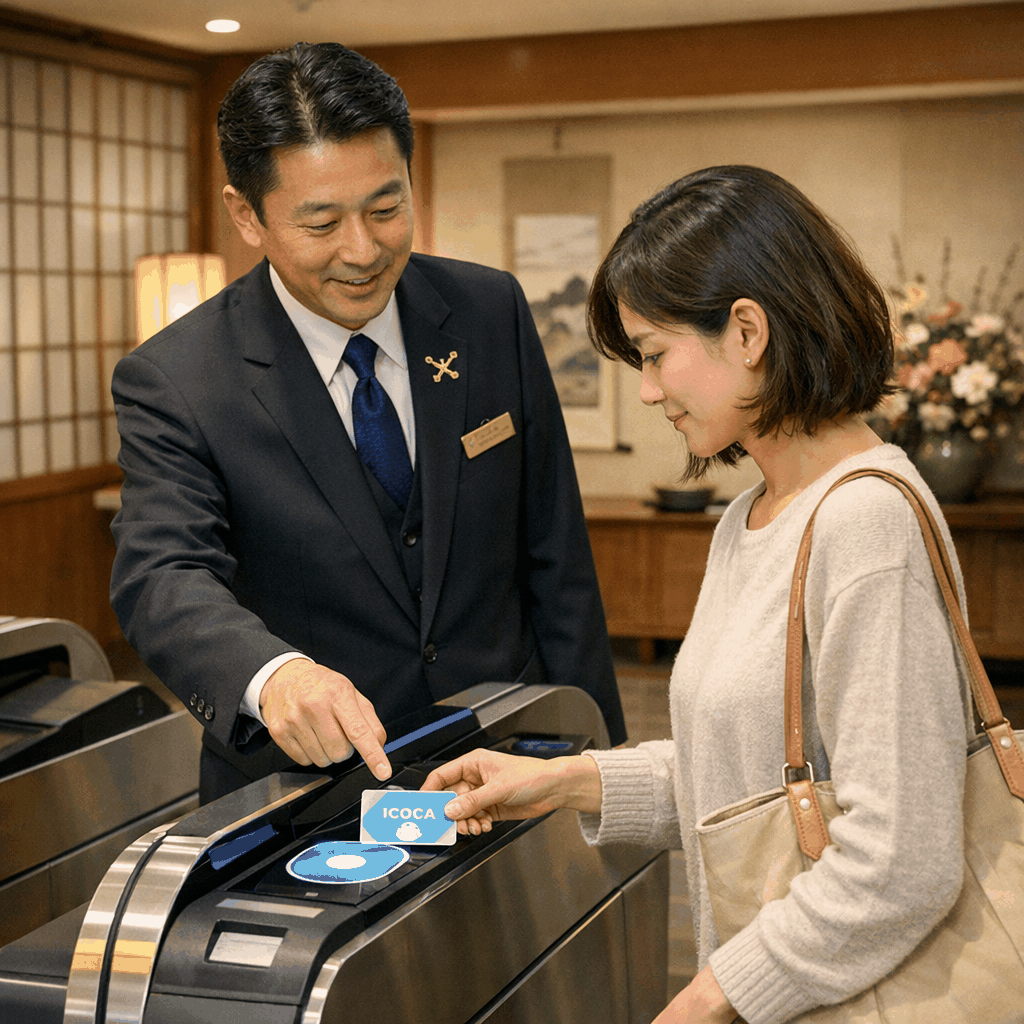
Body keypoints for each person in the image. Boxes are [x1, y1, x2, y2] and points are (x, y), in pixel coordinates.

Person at [424, 166, 974, 1023]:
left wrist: (715, 995)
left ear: (747, 331)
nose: (648, 391)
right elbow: (752, 773)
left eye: (654, 354)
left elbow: (902, 858)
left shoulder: (866, 522)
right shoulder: (751, 516)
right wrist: (563, 782)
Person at [109, 42, 625, 803]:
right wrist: (275, 675)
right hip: (306, 794)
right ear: (246, 215)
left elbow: (557, 556)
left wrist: (599, 766)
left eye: (387, 208)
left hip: (510, 763)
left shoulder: (488, 312)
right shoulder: (179, 378)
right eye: (321, 223)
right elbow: (162, 573)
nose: (364, 250)